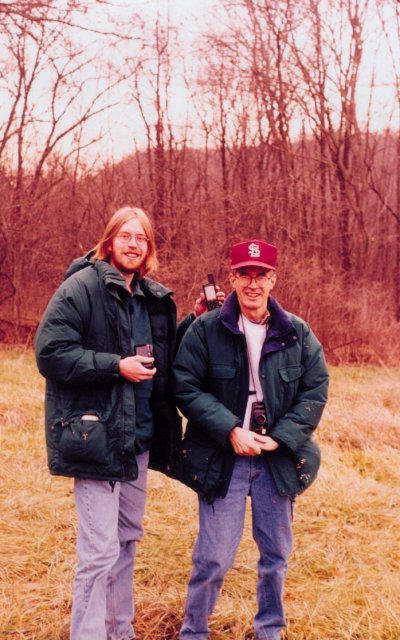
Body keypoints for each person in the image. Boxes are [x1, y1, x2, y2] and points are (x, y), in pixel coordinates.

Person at [35, 206, 220, 640]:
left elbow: (165, 361)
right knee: (98, 552)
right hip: (95, 437)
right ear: (109, 240)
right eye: (126, 236)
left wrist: (192, 319)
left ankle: (120, 631)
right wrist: (115, 366)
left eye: (142, 238)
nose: (134, 244)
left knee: (125, 543)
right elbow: (50, 352)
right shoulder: (81, 288)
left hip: (137, 440)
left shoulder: (154, 298)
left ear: (149, 248)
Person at [173, 239, 329, 640]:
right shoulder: (207, 330)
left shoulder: (297, 332)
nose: (253, 283)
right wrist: (229, 429)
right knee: (213, 558)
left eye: (261, 275)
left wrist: (281, 438)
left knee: (275, 555)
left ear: (273, 279)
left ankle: (269, 630)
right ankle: (194, 631)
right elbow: (185, 385)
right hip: (224, 459)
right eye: (245, 274)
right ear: (233, 278)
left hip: (275, 461)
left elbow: (315, 390)